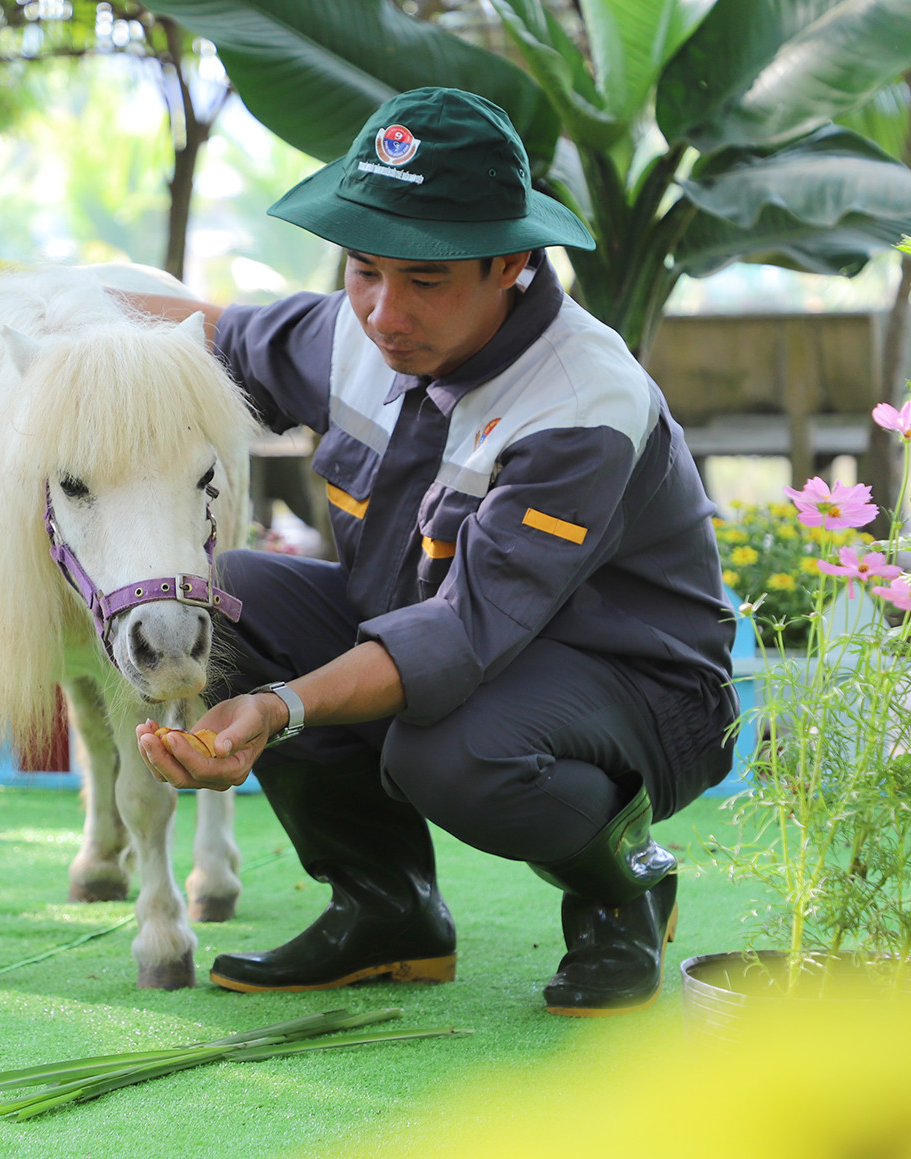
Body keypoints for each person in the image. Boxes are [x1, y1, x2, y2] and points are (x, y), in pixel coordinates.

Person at [125, 87, 735, 1016]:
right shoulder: (357, 326)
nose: (384, 312)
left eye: (425, 280)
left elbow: (461, 635)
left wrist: (279, 706)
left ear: (513, 265)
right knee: (234, 599)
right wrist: (51, 315)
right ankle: (388, 909)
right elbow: (199, 333)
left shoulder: (582, 403)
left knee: (447, 750)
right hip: (438, 641)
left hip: (638, 688)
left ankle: (624, 881)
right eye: (365, 269)